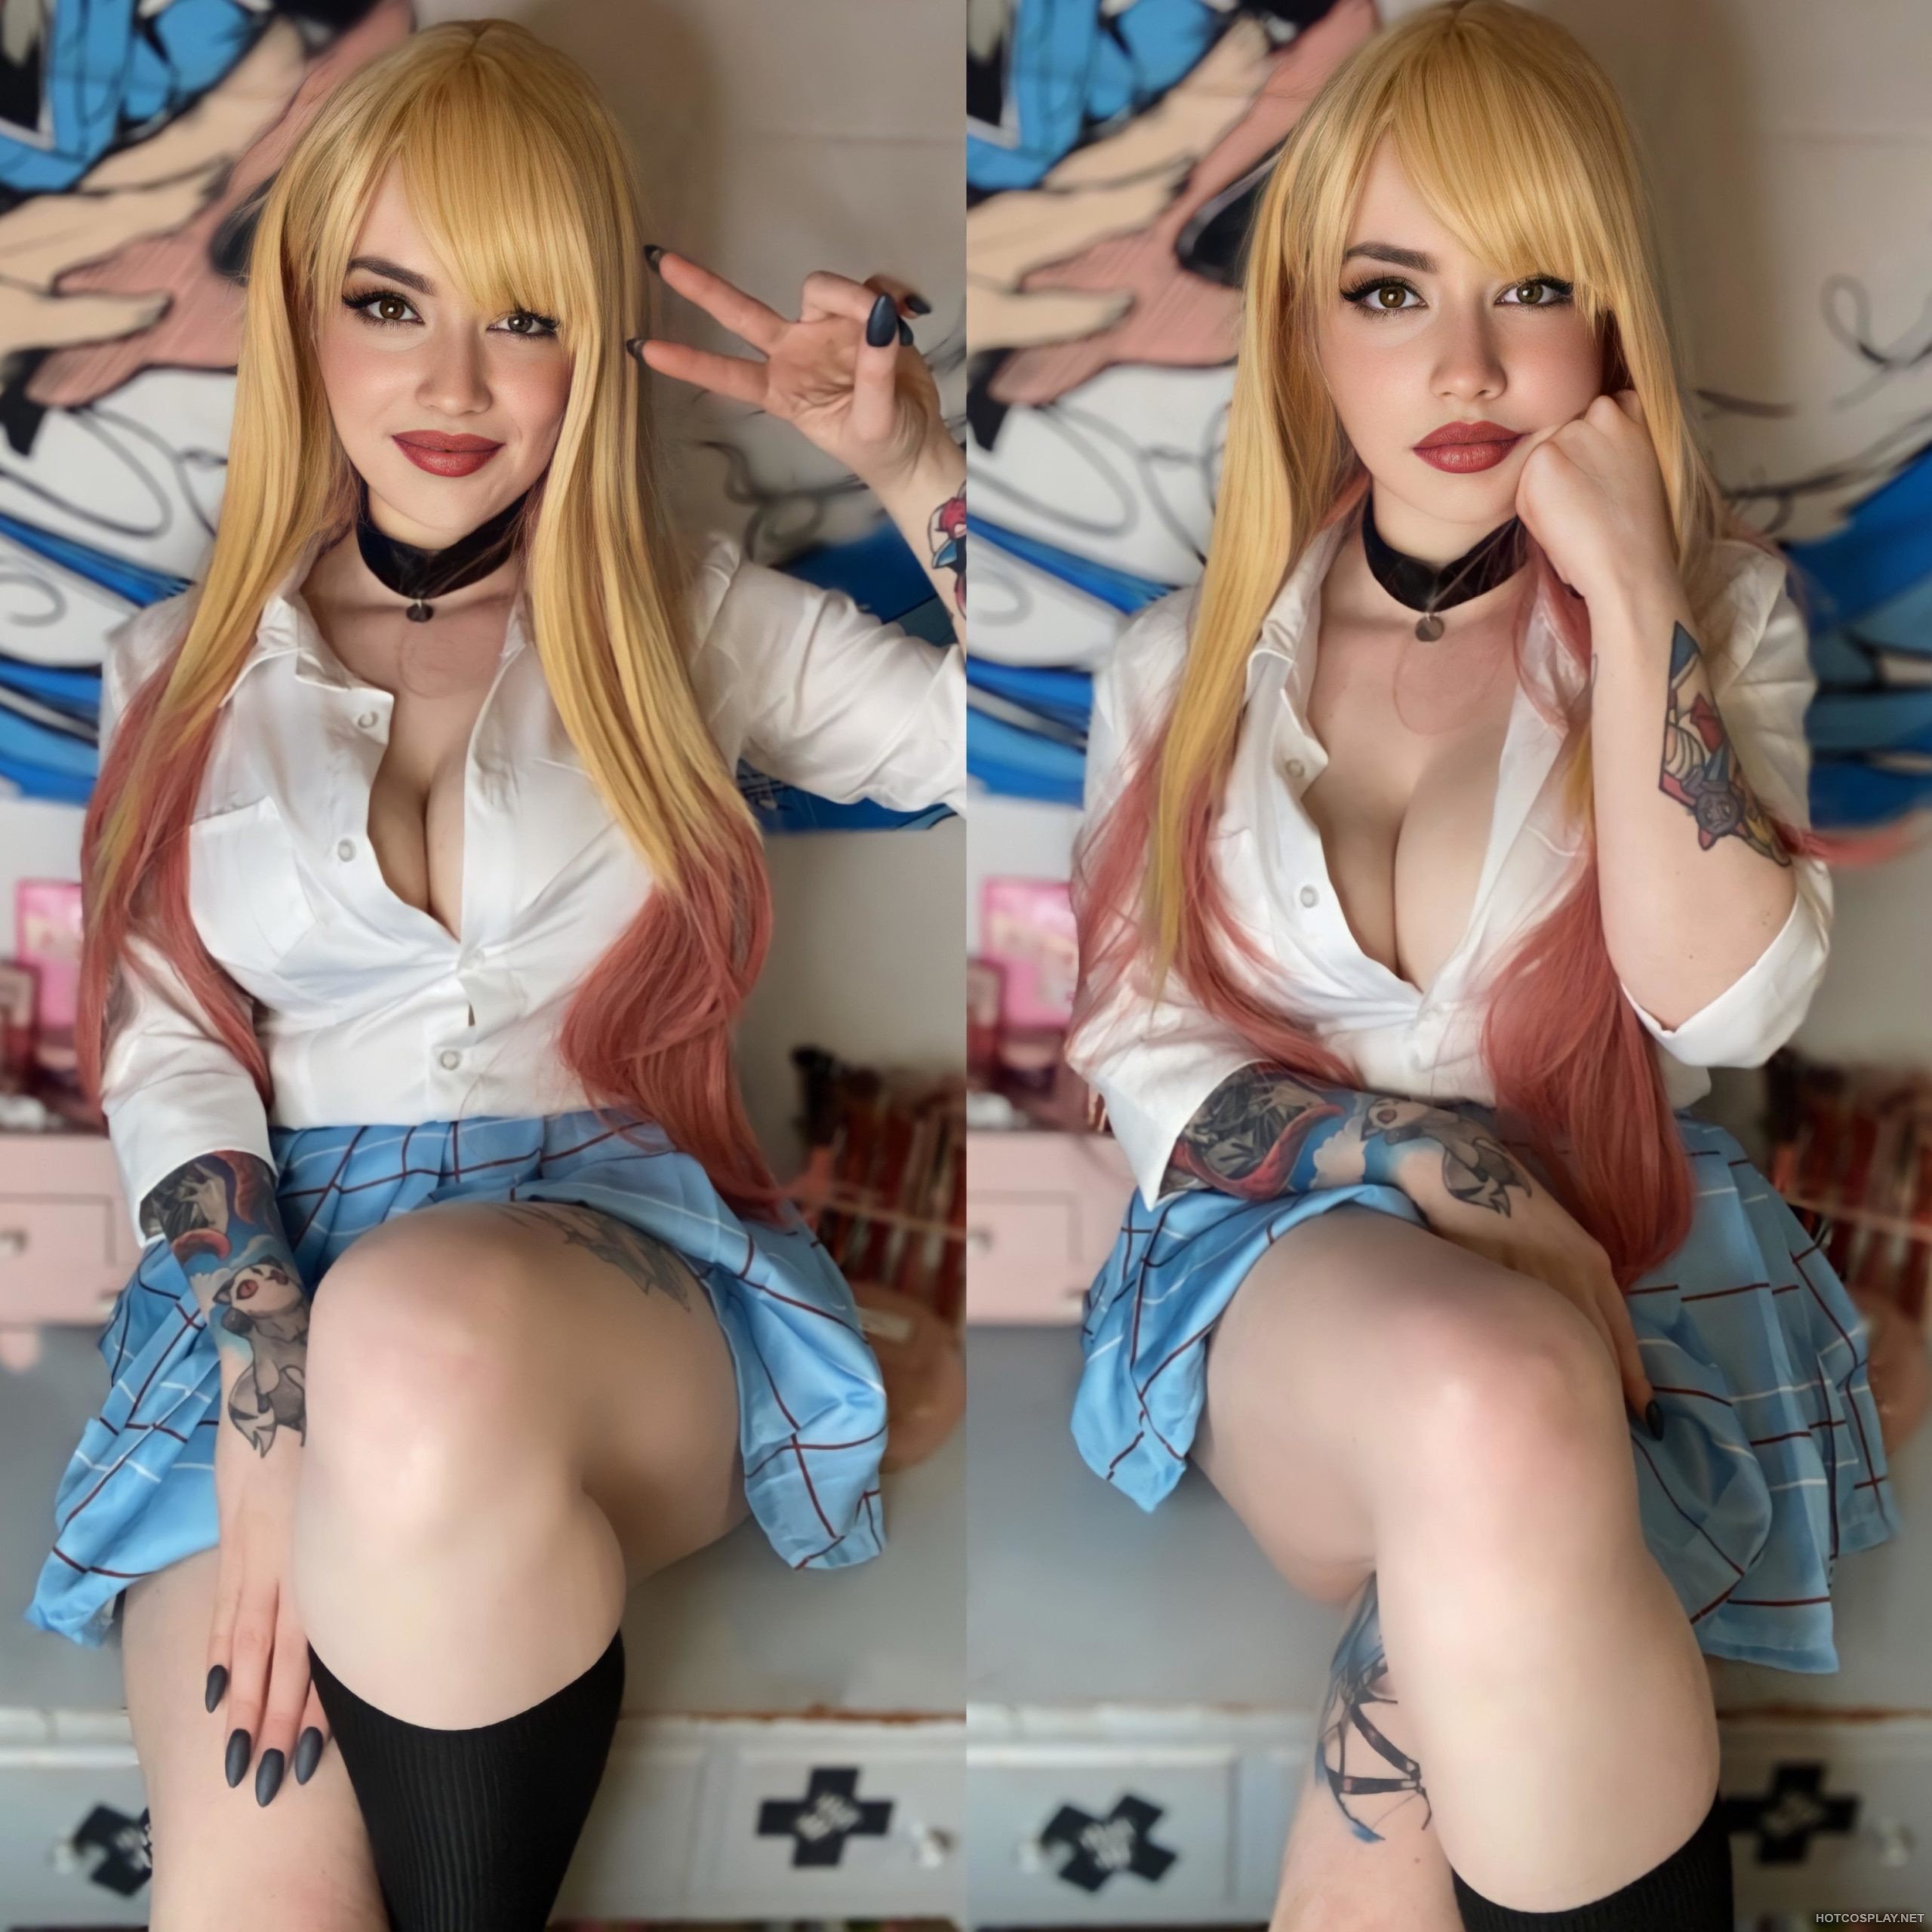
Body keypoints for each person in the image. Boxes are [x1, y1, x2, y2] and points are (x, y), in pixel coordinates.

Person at [23, 20, 964, 1930]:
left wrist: (915, 464)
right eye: (390, 302)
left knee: (425, 1331)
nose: (452, 382)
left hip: (595, 1289)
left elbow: (1066, 751)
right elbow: (171, 1056)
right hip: (266, 1291)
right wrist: (270, 1420)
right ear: (302, 316)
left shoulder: (682, 617)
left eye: (523, 316)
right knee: (249, 1897)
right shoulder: (172, 669)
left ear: (587, 350)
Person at [1061, 6, 1893, 1930]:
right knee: (1488, 1391)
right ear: (1304, 330)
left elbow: (1723, 1005)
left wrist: (1635, 592)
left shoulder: (1711, 616)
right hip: (1281, 1273)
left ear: (1605, 326)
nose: (1462, 363)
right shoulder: (1175, 660)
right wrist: (1427, 1156)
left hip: (1627, 1264)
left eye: (1529, 287)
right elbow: (1137, 1047)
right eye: (1387, 289)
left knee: (1491, 1478)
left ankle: (1366, 1774)